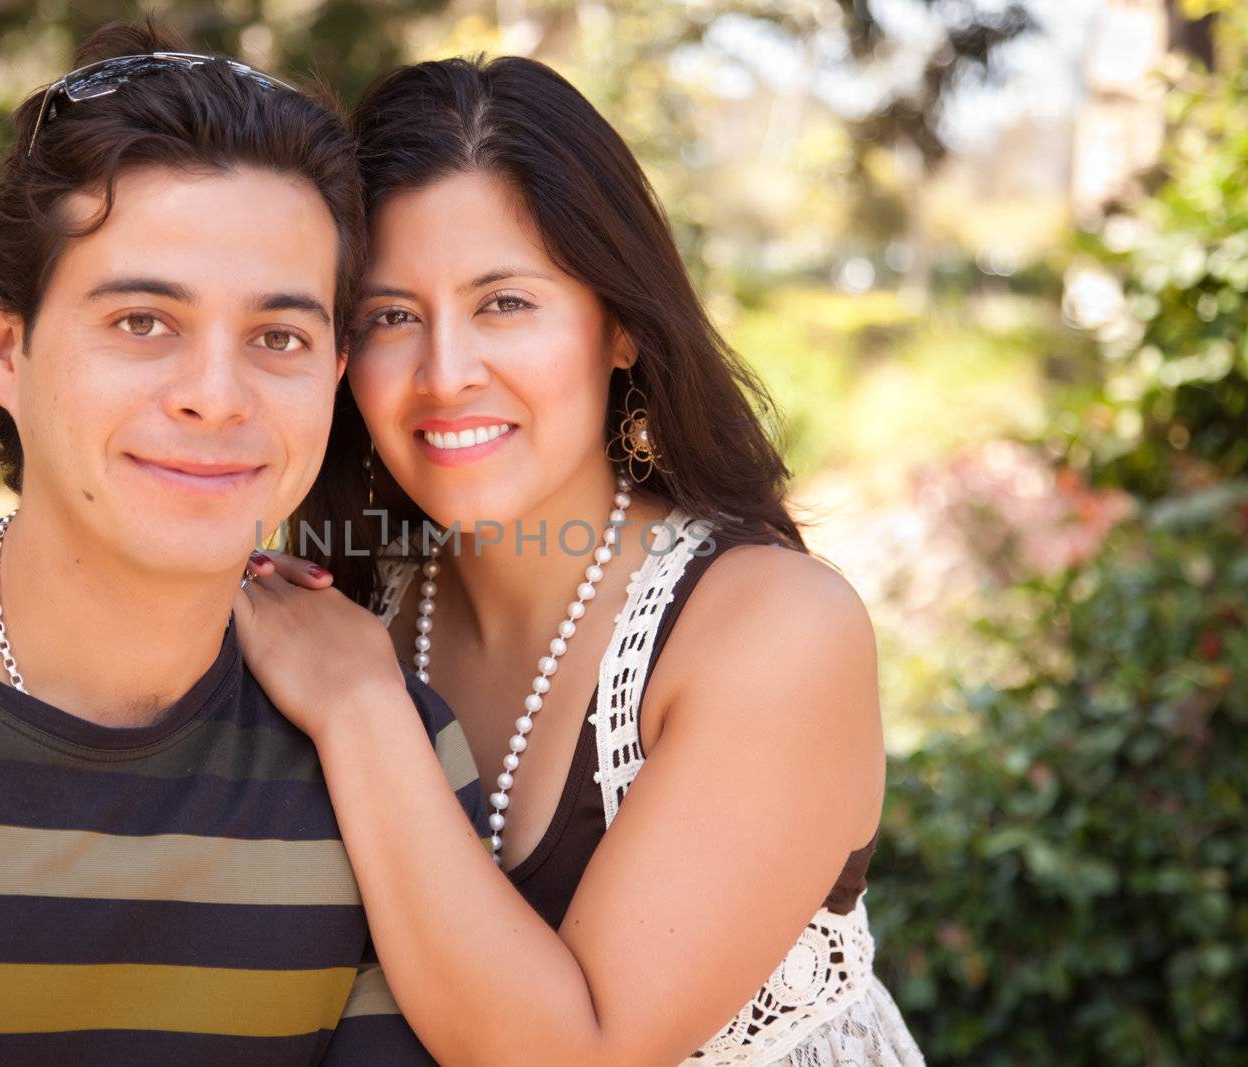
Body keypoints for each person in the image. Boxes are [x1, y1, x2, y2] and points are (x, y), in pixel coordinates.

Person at [0, 23, 484, 1065]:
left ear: (333, 373)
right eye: (142, 321)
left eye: (277, 337)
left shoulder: (387, 764)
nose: (213, 395)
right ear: (6, 347)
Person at [235, 56, 927, 1065]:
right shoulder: (344, 602)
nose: (446, 373)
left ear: (621, 325)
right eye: (390, 315)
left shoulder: (771, 630)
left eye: (505, 302)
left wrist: (359, 704)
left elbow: (579, 1051)